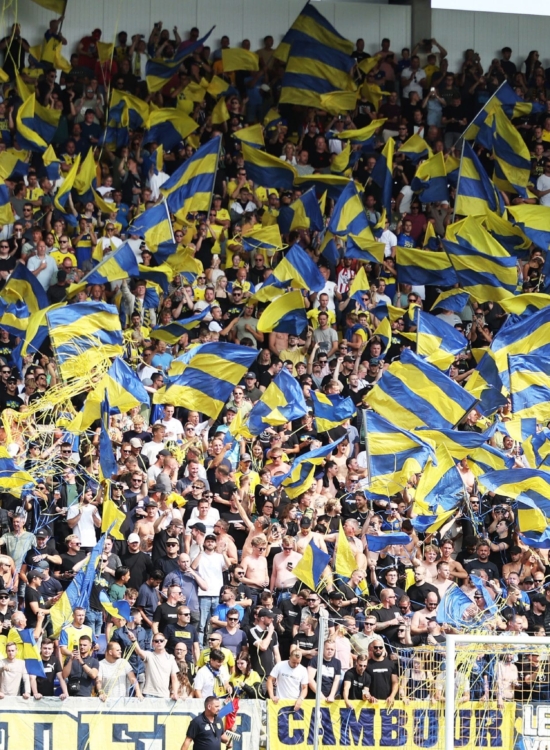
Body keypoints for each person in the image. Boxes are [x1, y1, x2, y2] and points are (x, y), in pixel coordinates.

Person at [127, 630, 179, 700]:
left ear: (165, 642)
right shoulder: (149, 655)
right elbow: (139, 652)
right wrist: (133, 640)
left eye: (161, 641)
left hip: (164, 695)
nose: (159, 642)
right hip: (149, 693)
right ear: (153, 643)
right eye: (156, 641)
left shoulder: (171, 658)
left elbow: (174, 678)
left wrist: (175, 693)